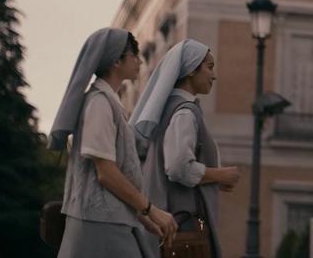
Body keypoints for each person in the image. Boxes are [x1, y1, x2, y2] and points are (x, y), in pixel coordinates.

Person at [48, 28, 177, 258]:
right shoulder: (99, 103)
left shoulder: (109, 102)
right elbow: (105, 173)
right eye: (134, 55)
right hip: (97, 226)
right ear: (117, 60)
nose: (139, 61)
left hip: (105, 222)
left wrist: (143, 217)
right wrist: (151, 210)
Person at [131, 39, 239, 258]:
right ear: (191, 70)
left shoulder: (170, 109)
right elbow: (178, 167)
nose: (214, 75)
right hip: (180, 226)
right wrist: (219, 175)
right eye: (209, 67)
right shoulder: (184, 112)